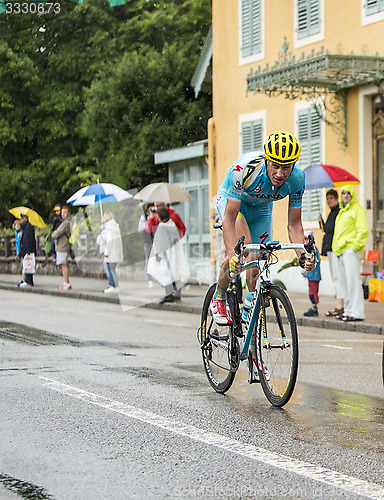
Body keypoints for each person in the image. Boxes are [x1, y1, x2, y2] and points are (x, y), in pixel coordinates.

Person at [210, 130, 315, 327]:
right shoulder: (246, 169)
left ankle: (251, 313)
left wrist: (302, 254)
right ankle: (219, 295)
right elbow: (230, 219)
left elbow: (294, 224)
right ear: (266, 160)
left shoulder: (298, 178)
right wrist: (234, 254)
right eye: (275, 166)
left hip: (261, 210)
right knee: (244, 250)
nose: (280, 174)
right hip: (234, 204)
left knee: (257, 259)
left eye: (286, 168)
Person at [332, 185, 368, 321]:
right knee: (344, 283)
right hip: (340, 251)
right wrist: (337, 248)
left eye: (348, 193)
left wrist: (354, 247)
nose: (346, 195)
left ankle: (357, 312)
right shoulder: (342, 212)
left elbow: (363, 230)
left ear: (352, 195)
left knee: (353, 281)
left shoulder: (358, 210)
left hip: (350, 251)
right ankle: (348, 311)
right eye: (343, 193)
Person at [147, 208, 189, 303]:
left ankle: (169, 294)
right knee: (174, 273)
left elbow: (159, 242)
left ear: (160, 218)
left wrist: (158, 254)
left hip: (166, 254)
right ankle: (176, 293)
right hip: (174, 252)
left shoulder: (162, 227)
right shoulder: (172, 224)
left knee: (166, 274)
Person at [318, 189, 344, 317]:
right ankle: (340, 304)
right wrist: (321, 223)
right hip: (330, 249)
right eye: (327, 198)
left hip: (335, 249)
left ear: (336, 199)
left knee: (337, 277)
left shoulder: (338, 212)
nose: (329, 201)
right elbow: (327, 230)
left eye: (331, 198)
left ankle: (340, 305)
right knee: (335, 277)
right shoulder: (331, 213)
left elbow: (335, 230)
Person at [101, 211, 124, 293]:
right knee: (113, 269)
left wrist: (106, 253)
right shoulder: (114, 227)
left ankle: (112, 285)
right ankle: (115, 285)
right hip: (115, 252)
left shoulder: (109, 228)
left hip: (110, 253)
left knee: (110, 270)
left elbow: (109, 241)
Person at [52, 205, 73, 291]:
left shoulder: (66, 223)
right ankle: (66, 282)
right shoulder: (66, 222)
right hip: (62, 245)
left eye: (64, 212)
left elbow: (56, 233)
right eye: (62, 213)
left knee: (63, 264)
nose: (63, 214)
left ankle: (66, 283)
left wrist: (54, 233)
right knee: (62, 264)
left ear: (68, 213)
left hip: (63, 245)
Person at [303, 230, 322, 317]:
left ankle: (314, 308)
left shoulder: (313, 250)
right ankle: (313, 306)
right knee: (311, 291)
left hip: (313, 275)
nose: (305, 242)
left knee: (313, 292)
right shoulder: (311, 250)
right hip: (311, 275)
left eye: (307, 239)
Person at [138, 203, 155, 288]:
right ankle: (150, 280)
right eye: (151, 207)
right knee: (148, 260)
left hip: (157, 241)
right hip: (148, 241)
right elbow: (140, 229)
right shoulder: (144, 217)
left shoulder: (158, 215)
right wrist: (148, 221)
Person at [18, 214, 36, 288]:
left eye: (23, 218)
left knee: (27, 266)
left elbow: (29, 240)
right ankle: (28, 281)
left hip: (27, 250)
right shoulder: (25, 228)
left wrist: (28, 251)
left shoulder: (28, 227)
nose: (21, 219)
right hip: (26, 249)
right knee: (27, 266)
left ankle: (28, 281)